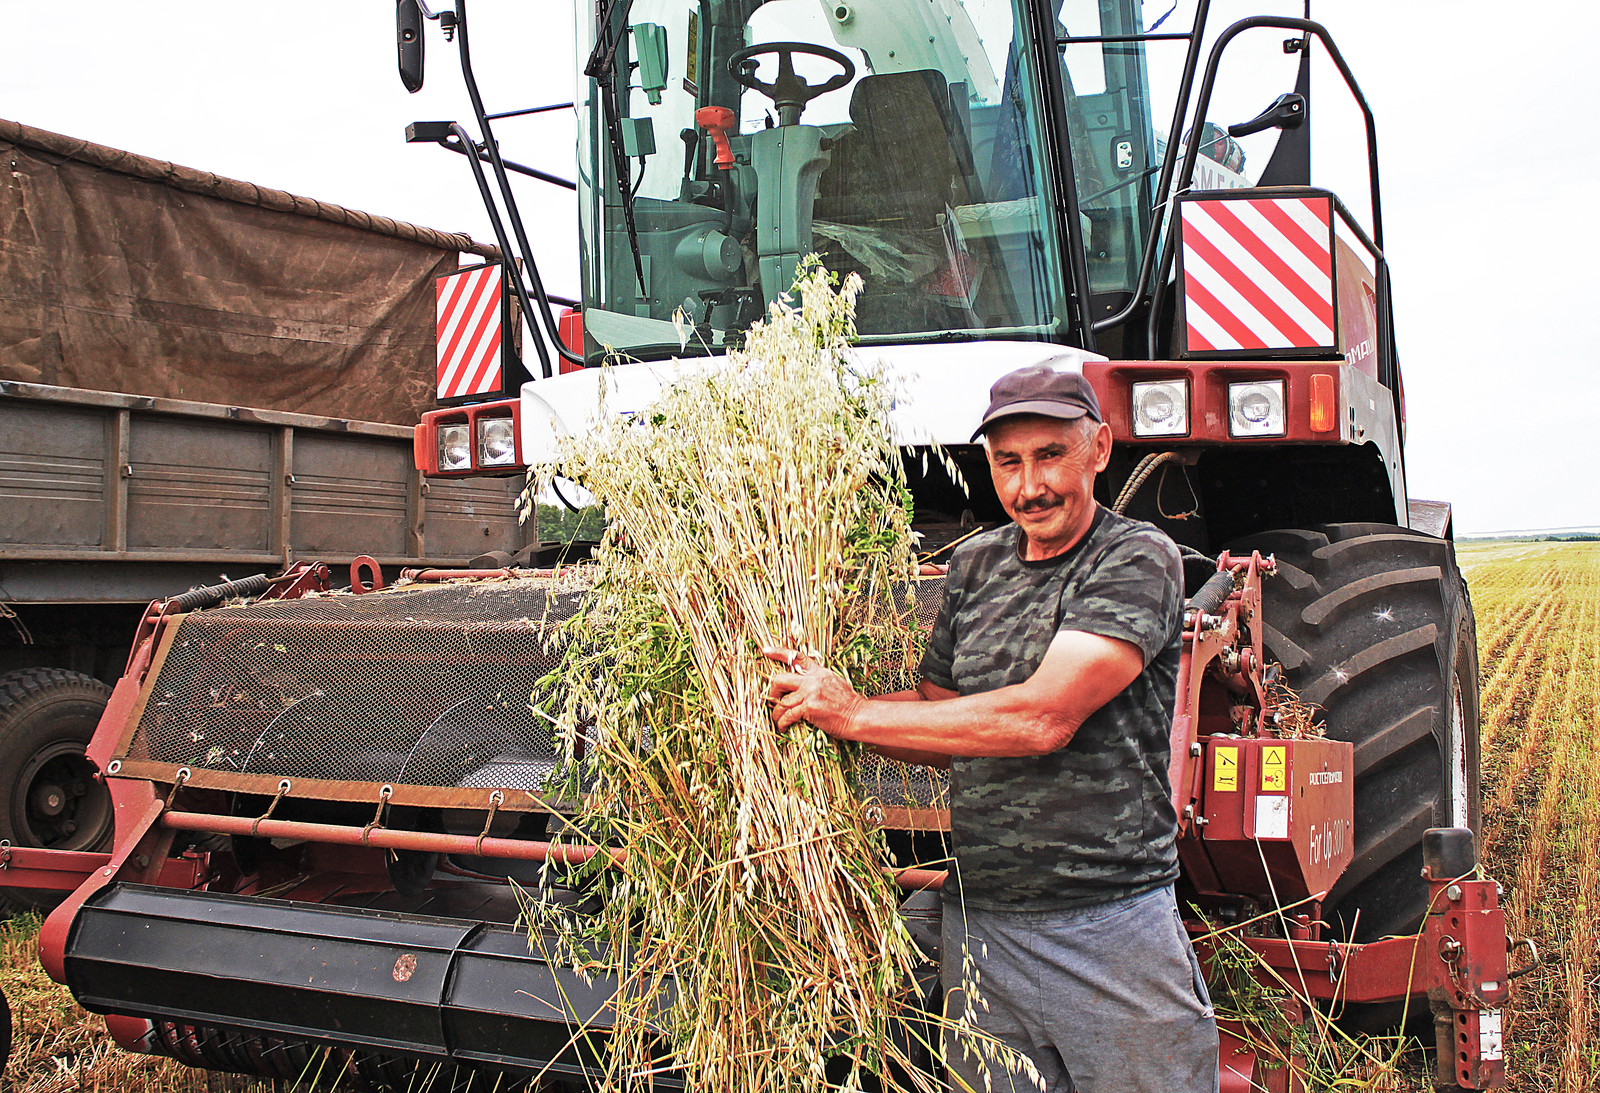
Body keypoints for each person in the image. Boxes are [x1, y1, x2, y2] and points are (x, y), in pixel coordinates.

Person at [765, 361, 1219, 1092]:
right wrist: (818, 706)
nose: (1029, 486)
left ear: (1100, 449)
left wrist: (851, 714)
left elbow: (1044, 717)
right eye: (1008, 462)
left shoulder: (1136, 556)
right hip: (983, 931)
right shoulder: (975, 565)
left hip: (1108, 929)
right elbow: (940, 724)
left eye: (1050, 456)